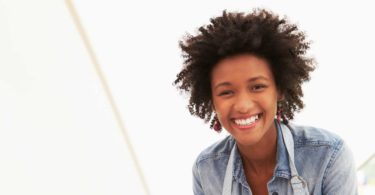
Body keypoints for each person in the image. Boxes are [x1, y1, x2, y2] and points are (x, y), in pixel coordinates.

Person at [174, 8, 358, 195]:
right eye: (226, 92)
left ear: (279, 90)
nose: (243, 105)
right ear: (211, 100)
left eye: (257, 87)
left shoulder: (328, 157)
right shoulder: (206, 170)